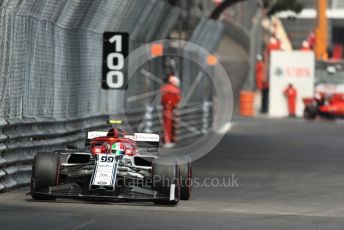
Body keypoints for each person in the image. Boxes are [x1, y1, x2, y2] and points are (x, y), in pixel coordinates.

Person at [160, 75, 182, 148]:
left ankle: (167, 140)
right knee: (170, 126)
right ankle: (168, 141)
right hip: (171, 109)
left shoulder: (165, 88)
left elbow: (163, 99)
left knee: (167, 126)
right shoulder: (174, 89)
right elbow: (178, 99)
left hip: (167, 108)